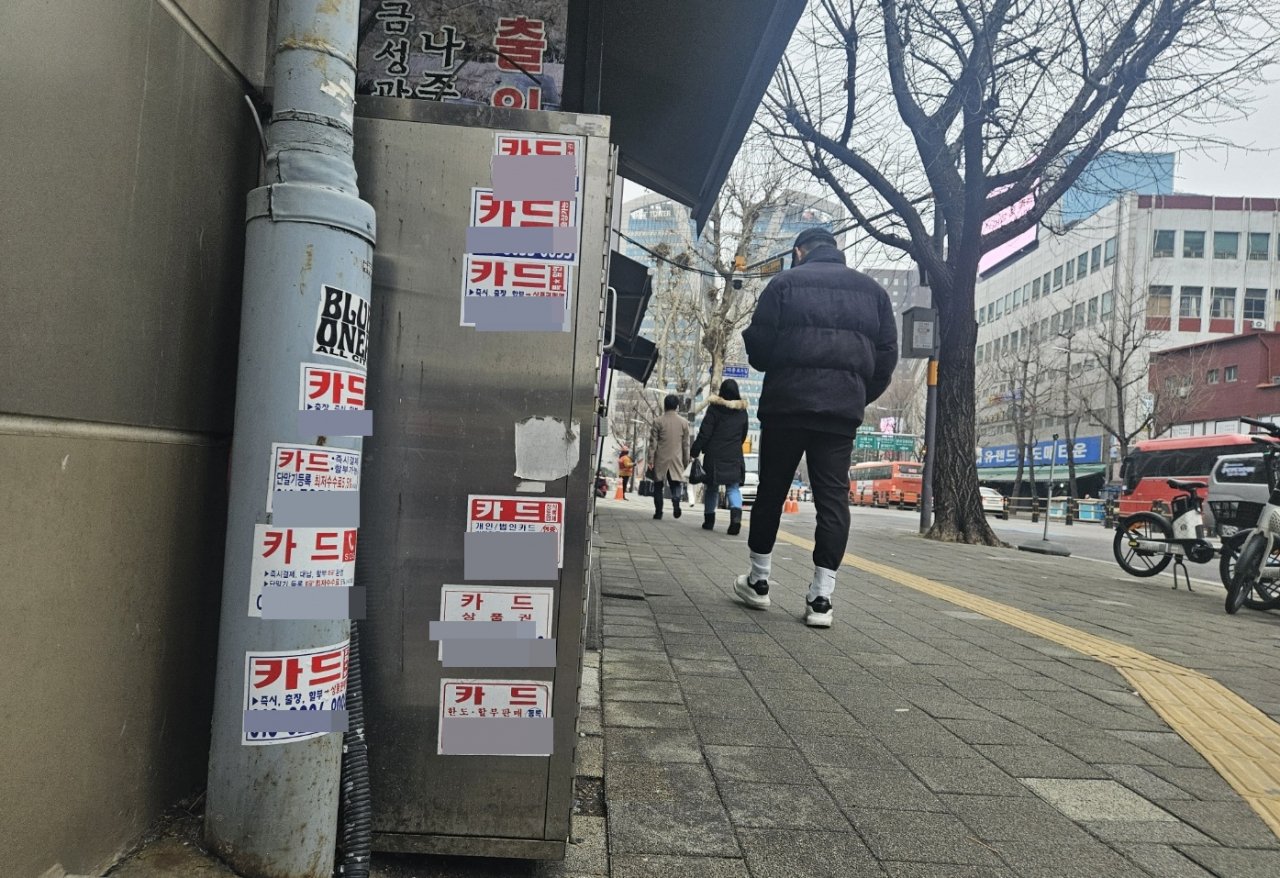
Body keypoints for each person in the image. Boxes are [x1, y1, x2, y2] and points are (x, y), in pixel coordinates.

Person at [733, 226, 898, 627]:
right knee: (832, 500)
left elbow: (758, 348)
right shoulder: (874, 293)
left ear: (798, 252)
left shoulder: (785, 284)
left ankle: (758, 582)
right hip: (839, 414)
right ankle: (821, 598)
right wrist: (855, 394)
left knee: (771, 492)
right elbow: (886, 359)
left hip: (786, 407)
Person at [690, 378, 750, 534]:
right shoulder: (742, 411)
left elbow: (705, 433)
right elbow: (743, 435)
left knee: (711, 488)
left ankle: (709, 521)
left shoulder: (714, 409)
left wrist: (695, 450)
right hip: (734, 455)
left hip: (714, 455)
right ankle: (735, 521)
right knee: (733, 488)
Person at [649, 394, 690, 520]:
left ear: (665, 405)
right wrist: (686, 461)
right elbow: (685, 445)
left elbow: (653, 443)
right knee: (675, 484)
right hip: (676, 458)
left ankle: (658, 512)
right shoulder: (684, 422)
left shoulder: (658, 421)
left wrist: (650, 459)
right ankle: (676, 500)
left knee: (658, 485)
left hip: (660, 457)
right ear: (677, 406)